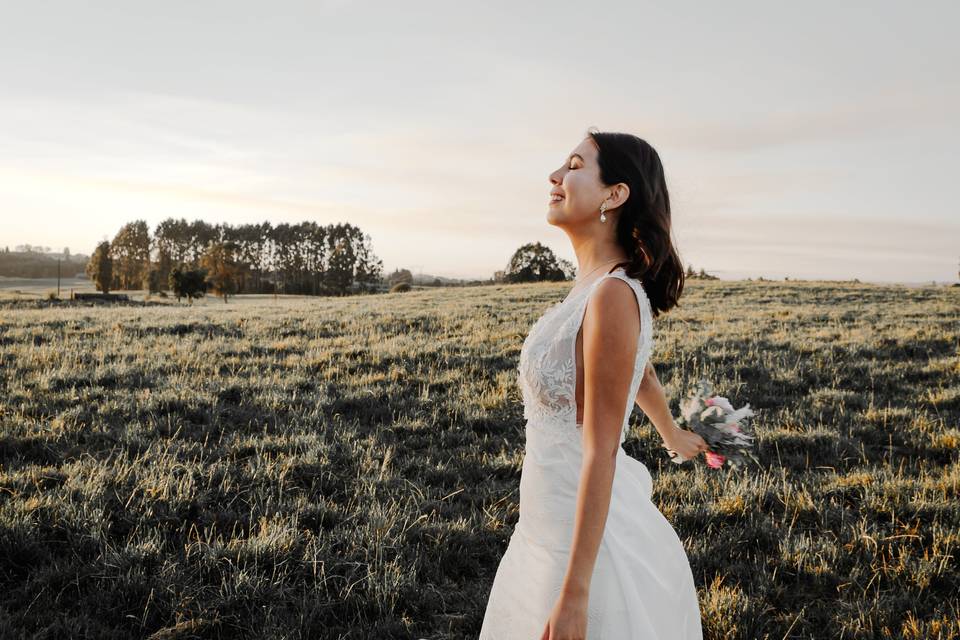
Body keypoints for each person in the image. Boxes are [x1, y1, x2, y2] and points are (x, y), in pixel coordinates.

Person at [479, 129, 707, 639]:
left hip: (579, 548)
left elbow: (600, 452)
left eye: (575, 165)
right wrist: (670, 433)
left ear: (614, 194)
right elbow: (636, 369)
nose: (555, 176)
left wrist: (575, 594)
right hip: (541, 524)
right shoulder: (594, 288)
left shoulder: (610, 295)